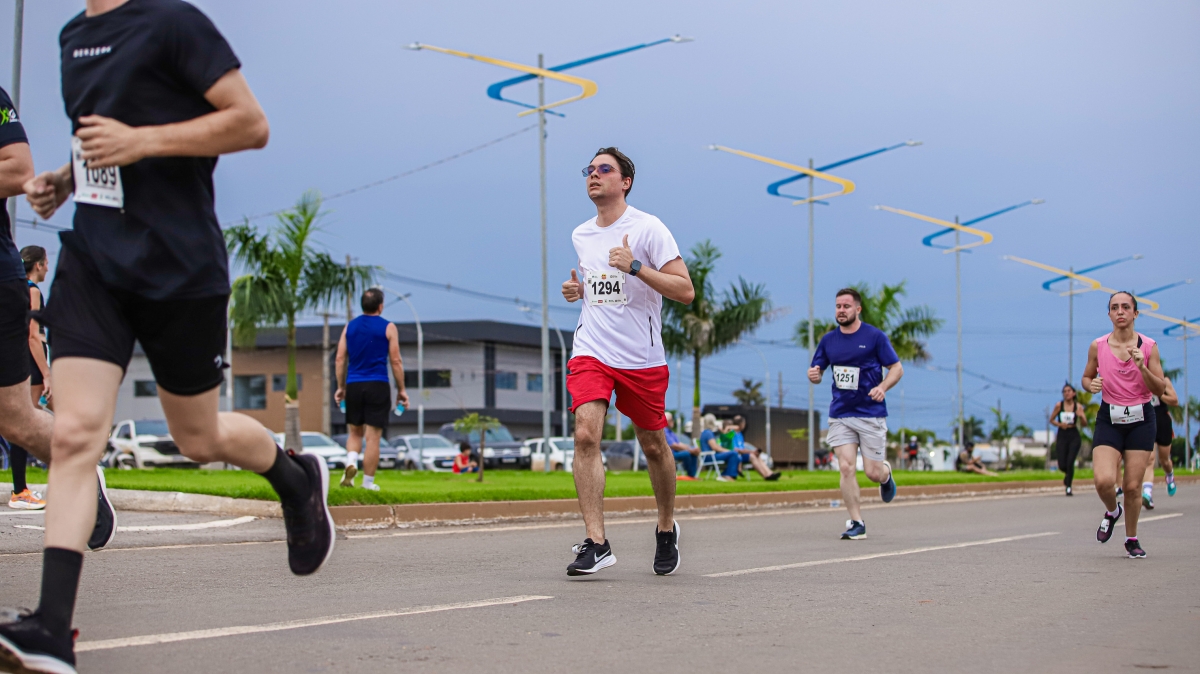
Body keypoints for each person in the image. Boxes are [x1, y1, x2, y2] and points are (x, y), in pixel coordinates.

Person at [0, 3, 335, 670]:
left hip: (178, 264)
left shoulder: (173, 23)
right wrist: (66, 178)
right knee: (75, 433)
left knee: (197, 437)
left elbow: (250, 123)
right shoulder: (75, 35)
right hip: (94, 260)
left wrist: (142, 142)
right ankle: (51, 629)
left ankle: (295, 479)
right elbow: (99, 138)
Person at [560, 147, 694, 576]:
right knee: (585, 434)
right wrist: (580, 291)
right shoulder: (581, 234)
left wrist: (635, 266)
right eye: (589, 169)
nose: (594, 175)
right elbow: (602, 287)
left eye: (605, 169)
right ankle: (597, 543)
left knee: (653, 446)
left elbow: (685, 290)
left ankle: (666, 527)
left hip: (641, 357)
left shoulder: (648, 228)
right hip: (592, 350)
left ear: (625, 181)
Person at [808, 287, 903, 540]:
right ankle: (857, 522)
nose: (841, 310)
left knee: (872, 473)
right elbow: (817, 370)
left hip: (870, 413)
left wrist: (882, 387)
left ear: (858, 309)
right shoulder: (829, 340)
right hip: (841, 413)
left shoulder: (874, 337)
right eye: (838, 306)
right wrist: (814, 374)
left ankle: (885, 474)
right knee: (846, 467)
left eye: (846, 306)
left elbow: (896, 368)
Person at [1082, 291, 1166, 559]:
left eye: (1126, 307)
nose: (1120, 311)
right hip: (1110, 418)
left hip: (1141, 418)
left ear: (1135, 313)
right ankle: (1112, 511)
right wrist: (1091, 385)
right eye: (1115, 307)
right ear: (1109, 314)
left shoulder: (1149, 346)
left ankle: (1131, 539)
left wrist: (1142, 367)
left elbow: (1160, 389)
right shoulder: (1098, 346)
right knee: (1103, 481)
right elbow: (1086, 377)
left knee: (1131, 486)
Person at [334, 288, 408, 491]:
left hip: (354, 385)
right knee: (373, 437)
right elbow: (396, 360)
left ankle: (351, 461)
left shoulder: (349, 327)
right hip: (378, 384)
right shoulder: (388, 327)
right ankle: (367, 483)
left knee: (354, 433)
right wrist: (401, 390)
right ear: (380, 306)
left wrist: (341, 387)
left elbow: (340, 358)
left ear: (362, 305)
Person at [6, 247, 53, 510]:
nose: (47, 267)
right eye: (45, 263)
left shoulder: (13, 288)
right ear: (37, 265)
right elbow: (33, 336)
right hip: (32, 361)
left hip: (18, 359)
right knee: (25, 425)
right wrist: (46, 373)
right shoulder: (32, 291)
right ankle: (20, 491)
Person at [1142, 376, 1180, 509]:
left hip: (1162, 421)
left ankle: (1169, 476)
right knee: (1149, 459)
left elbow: (1175, 400)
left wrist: (1160, 394)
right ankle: (1147, 494)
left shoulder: (1164, 380)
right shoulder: (1139, 380)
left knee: (1164, 460)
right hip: (1147, 422)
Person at [1051, 383, 1087, 496]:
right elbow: (1051, 420)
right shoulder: (1059, 405)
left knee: (1070, 461)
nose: (1066, 393)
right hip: (1062, 434)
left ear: (1074, 393)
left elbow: (1084, 424)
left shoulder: (1078, 406)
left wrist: (1081, 416)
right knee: (1062, 464)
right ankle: (1068, 475)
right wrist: (1060, 424)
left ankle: (1069, 487)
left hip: (1073, 434)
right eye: (1064, 391)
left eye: (1069, 391)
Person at [726, 415, 780, 480]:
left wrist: (752, 452)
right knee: (752, 456)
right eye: (744, 423)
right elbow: (735, 449)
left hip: (741, 455)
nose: (744, 425)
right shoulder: (731, 433)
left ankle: (770, 473)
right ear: (741, 424)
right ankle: (765, 476)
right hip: (735, 456)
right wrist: (751, 452)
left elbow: (742, 448)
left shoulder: (740, 434)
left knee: (757, 455)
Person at [699, 414, 740, 482]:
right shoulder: (708, 433)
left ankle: (724, 474)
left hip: (710, 455)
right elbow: (715, 447)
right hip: (710, 456)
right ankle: (728, 475)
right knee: (733, 454)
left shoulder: (705, 432)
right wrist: (728, 451)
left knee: (735, 455)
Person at [664, 411, 698, 480]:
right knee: (687, 454)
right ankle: (690, 476)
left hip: (675, 452)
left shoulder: (671, 432)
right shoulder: (664, 431)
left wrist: (692, 448)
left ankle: (692, 476)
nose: (673, 421)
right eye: (671, 420)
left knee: (693, 453)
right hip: (669, 454)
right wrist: (689, 449)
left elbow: (679, 443)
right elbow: (673, 445)